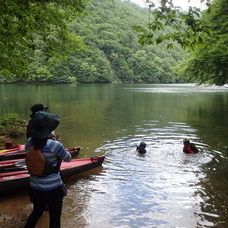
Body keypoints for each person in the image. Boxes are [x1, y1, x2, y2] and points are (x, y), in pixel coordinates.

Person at [25, 111, 71, 228]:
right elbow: (67, 158)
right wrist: (59, 143)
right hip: (53, 188)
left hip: (34, 186)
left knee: (37, 212)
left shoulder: (29, 142)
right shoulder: (55, 145)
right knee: (55, 218)